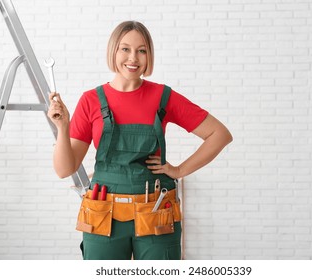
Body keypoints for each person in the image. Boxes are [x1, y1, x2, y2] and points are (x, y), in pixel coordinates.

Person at [47, 21, 232, 260]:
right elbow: (64, 169)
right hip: (103, 216)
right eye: (125, 49)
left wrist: (179, 170)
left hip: (156, 213)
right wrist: (63, 127)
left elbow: (220, 134)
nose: (133, 58)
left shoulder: (163, 97)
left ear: (149, 55)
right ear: (113, 51)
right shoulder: (91, 100)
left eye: (141, 50)